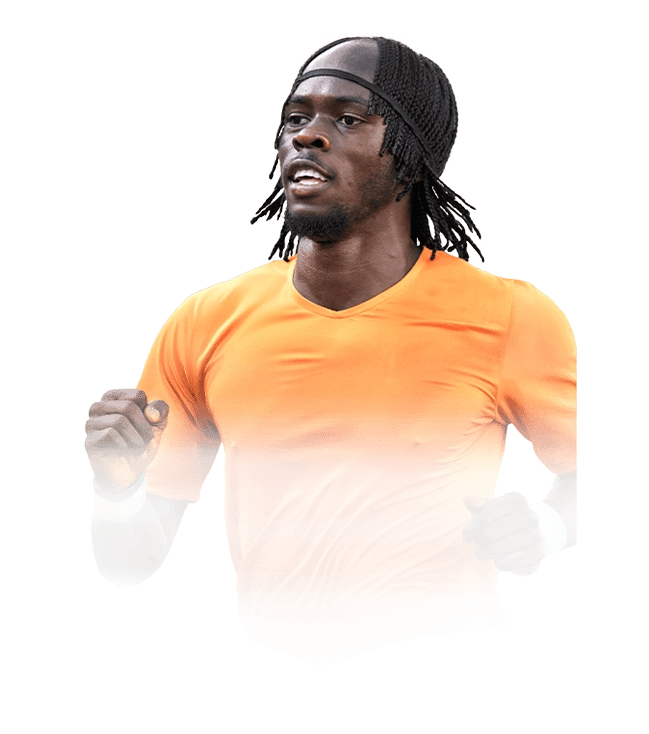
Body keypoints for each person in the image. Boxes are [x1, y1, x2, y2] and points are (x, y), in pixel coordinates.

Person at [84, 33, 578, 666]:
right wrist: (117, 487)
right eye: (296, 117)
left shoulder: (507, 316)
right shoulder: (205, 323)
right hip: (272, 671)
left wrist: (549, 522)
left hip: (443, 664)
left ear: (409, 158)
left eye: (347, 119)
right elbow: (129, 567)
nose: (308, 136)